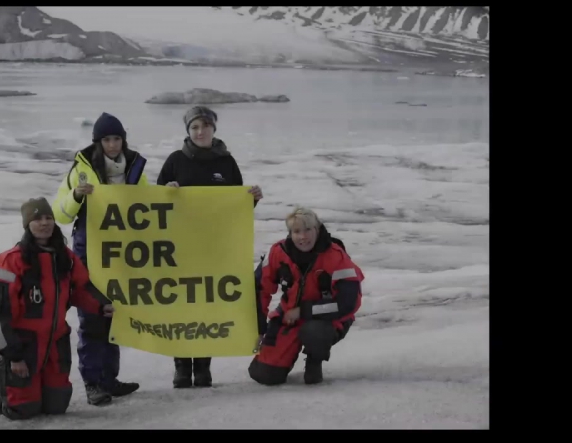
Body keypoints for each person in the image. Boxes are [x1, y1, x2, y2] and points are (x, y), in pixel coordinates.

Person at [0, 197, 115, 420]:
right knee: (21, 410)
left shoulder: (64, 258)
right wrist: (13, 356)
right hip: (22, 346)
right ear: (27, 224)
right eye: (37, 219)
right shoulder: (8, 263)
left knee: (56, 407)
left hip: (56, 343)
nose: (44, 223)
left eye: (48, 218)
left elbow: (81, 288)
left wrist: (101, 305)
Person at [157, 105, 263, 388]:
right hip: (179, 249)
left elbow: (237, 207)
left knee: (207, 305)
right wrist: (168, 190)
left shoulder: (227, 163)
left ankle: (202, 367)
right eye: (194, 127)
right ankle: (181, 366)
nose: (200, 131)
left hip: (215, 248)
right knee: (180, 306)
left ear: (214, 129)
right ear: (188, 131)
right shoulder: (175, 160)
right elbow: (153, 205)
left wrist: (251, 198)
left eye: (205, 126)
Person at [51, 112, 147, 405]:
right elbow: (59, 213)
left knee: (113, 313)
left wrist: (167, 194)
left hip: (122, 251)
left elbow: (147, 206)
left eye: (117, 138)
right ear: (98, 141)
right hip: (89, 249)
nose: (113, 144)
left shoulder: (134, 166)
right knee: (92, 313)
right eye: (107, 139)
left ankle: (110, 379)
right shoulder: (81, 168)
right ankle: (93, 382)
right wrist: (77, 196)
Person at [248, 206, 364, 386]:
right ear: (290, 233)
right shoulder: (278, 252)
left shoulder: (336, 256)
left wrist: (304, 311)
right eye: (297, 231)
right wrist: (259, 327)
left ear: (317, 229)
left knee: (314, 331)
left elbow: (348, 303)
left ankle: (314, 361)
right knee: (265, 375)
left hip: (328, 319)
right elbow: (259, 289)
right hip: (289, 317)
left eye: (308, 230)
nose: (303, 237)